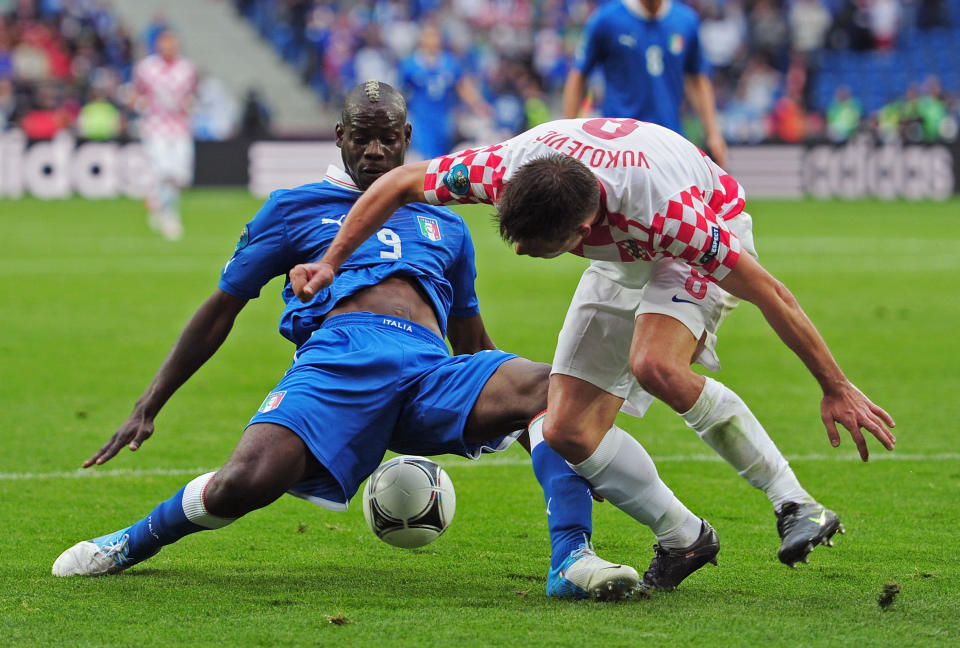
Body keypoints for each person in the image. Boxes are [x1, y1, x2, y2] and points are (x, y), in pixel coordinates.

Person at [51, 84, 656, 600]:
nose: (374, 150)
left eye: (387, 138)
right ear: (339, 136)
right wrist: (149, 404)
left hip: (428, 372)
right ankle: (128, 543)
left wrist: (547, 442)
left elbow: (472, 339)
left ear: (406, 136)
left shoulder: (445, 221)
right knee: (244, 482)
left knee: (553, 389)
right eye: (361, 137)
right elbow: (220, 309)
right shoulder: (293, 209)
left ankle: (571, 560)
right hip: (339, 363)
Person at [290, 117, 898, 581]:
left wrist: (834, 385)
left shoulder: (672, 220)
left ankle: (796, 504)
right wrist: (329, 262)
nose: (523, 254)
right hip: (620, 243)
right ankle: (685, 537)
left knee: (655, 364)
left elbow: (772, 294)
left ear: (583, 233)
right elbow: (399, 182)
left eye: (539, 246)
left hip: (702, 221)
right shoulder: (504, 168)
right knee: (566, 430)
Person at [561, 0, 728, 167]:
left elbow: (698, 80)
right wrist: (569, 134)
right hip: (618, 145)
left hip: (669, 141)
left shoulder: (686, 20)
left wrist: (714, 134)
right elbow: (578, 75)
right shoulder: (606, 20)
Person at [132, 28, 197, 241]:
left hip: (180, 127)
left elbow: (192, 96)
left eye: (171, 43)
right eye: (164, 43)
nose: (168, 47)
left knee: (180, 175)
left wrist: (191, 105)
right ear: (158, 45)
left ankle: (156, 202)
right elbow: (135, 93)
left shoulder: (187, 68)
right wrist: (140, 104)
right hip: (155, 126)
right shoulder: (146, 68)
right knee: (164, 171)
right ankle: (170, 216)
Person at [399, 23, 492, 160]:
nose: (432, 40)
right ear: (421, 39)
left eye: (435, 36)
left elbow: (462, 87)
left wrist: (479, 105)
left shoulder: (450, 62)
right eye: (428, 36)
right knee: (425, 156)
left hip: (444, 117)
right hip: (421, 118)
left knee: (443, 157)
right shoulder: (409, 64)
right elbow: (401, 92)